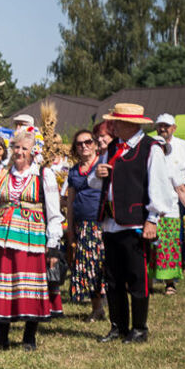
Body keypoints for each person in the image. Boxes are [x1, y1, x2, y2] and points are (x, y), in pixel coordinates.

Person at [89, 104, 178, 344]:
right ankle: (118, 326)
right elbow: (97, 182)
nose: (112, 126)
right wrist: (97, 174)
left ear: (130, 124)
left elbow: (160, 186)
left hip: (135, 223)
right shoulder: (113, 148)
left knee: (137, 278)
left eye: (116, 122)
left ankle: (139, 328)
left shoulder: (151, 148)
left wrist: (152, 219)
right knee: (113, 278)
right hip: (111, 223)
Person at [0, 128, 63, 351]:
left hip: (31, 239)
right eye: (16, 147)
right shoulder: (2, 175)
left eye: (24, 148)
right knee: (2, 286)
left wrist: (53, 245)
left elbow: (54, 212)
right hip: (3, 239)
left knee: (30, 286)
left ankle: (29, 337)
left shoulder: (42, 175)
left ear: (33, 151)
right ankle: (2, 339)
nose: (19, 151)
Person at [151, 114, 185, 295]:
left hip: (169, 211)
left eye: (166, 126)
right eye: (160, 125)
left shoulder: (172, 162)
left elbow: (180, 188)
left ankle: (170, 283)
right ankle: (146, 282)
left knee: (168, 247)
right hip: (148, 213)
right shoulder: (146, 163)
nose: (160, 150)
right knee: (149, 248)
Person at [65, 129, 107, 322]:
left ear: (95, 144)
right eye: (80, 143)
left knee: (104, 267)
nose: (84, 146)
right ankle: (96, 308)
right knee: (88, 267)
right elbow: (71, 201)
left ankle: (113, 307)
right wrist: (70, 228)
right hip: (82, 226)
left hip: (102, 224)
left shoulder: (103, 165)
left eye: (88, 142)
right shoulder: (73, 172)